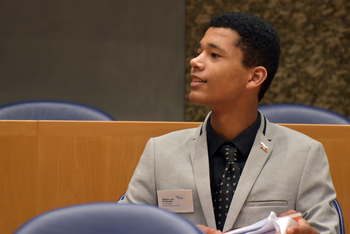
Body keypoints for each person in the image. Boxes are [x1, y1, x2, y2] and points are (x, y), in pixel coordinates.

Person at [118, 11, 339, 233]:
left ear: (254, 77)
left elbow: (325, 230)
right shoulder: (160, 153)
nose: (194, 61)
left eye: (214, 55)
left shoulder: (305, 155)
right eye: (199, 52)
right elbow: (120, 227)